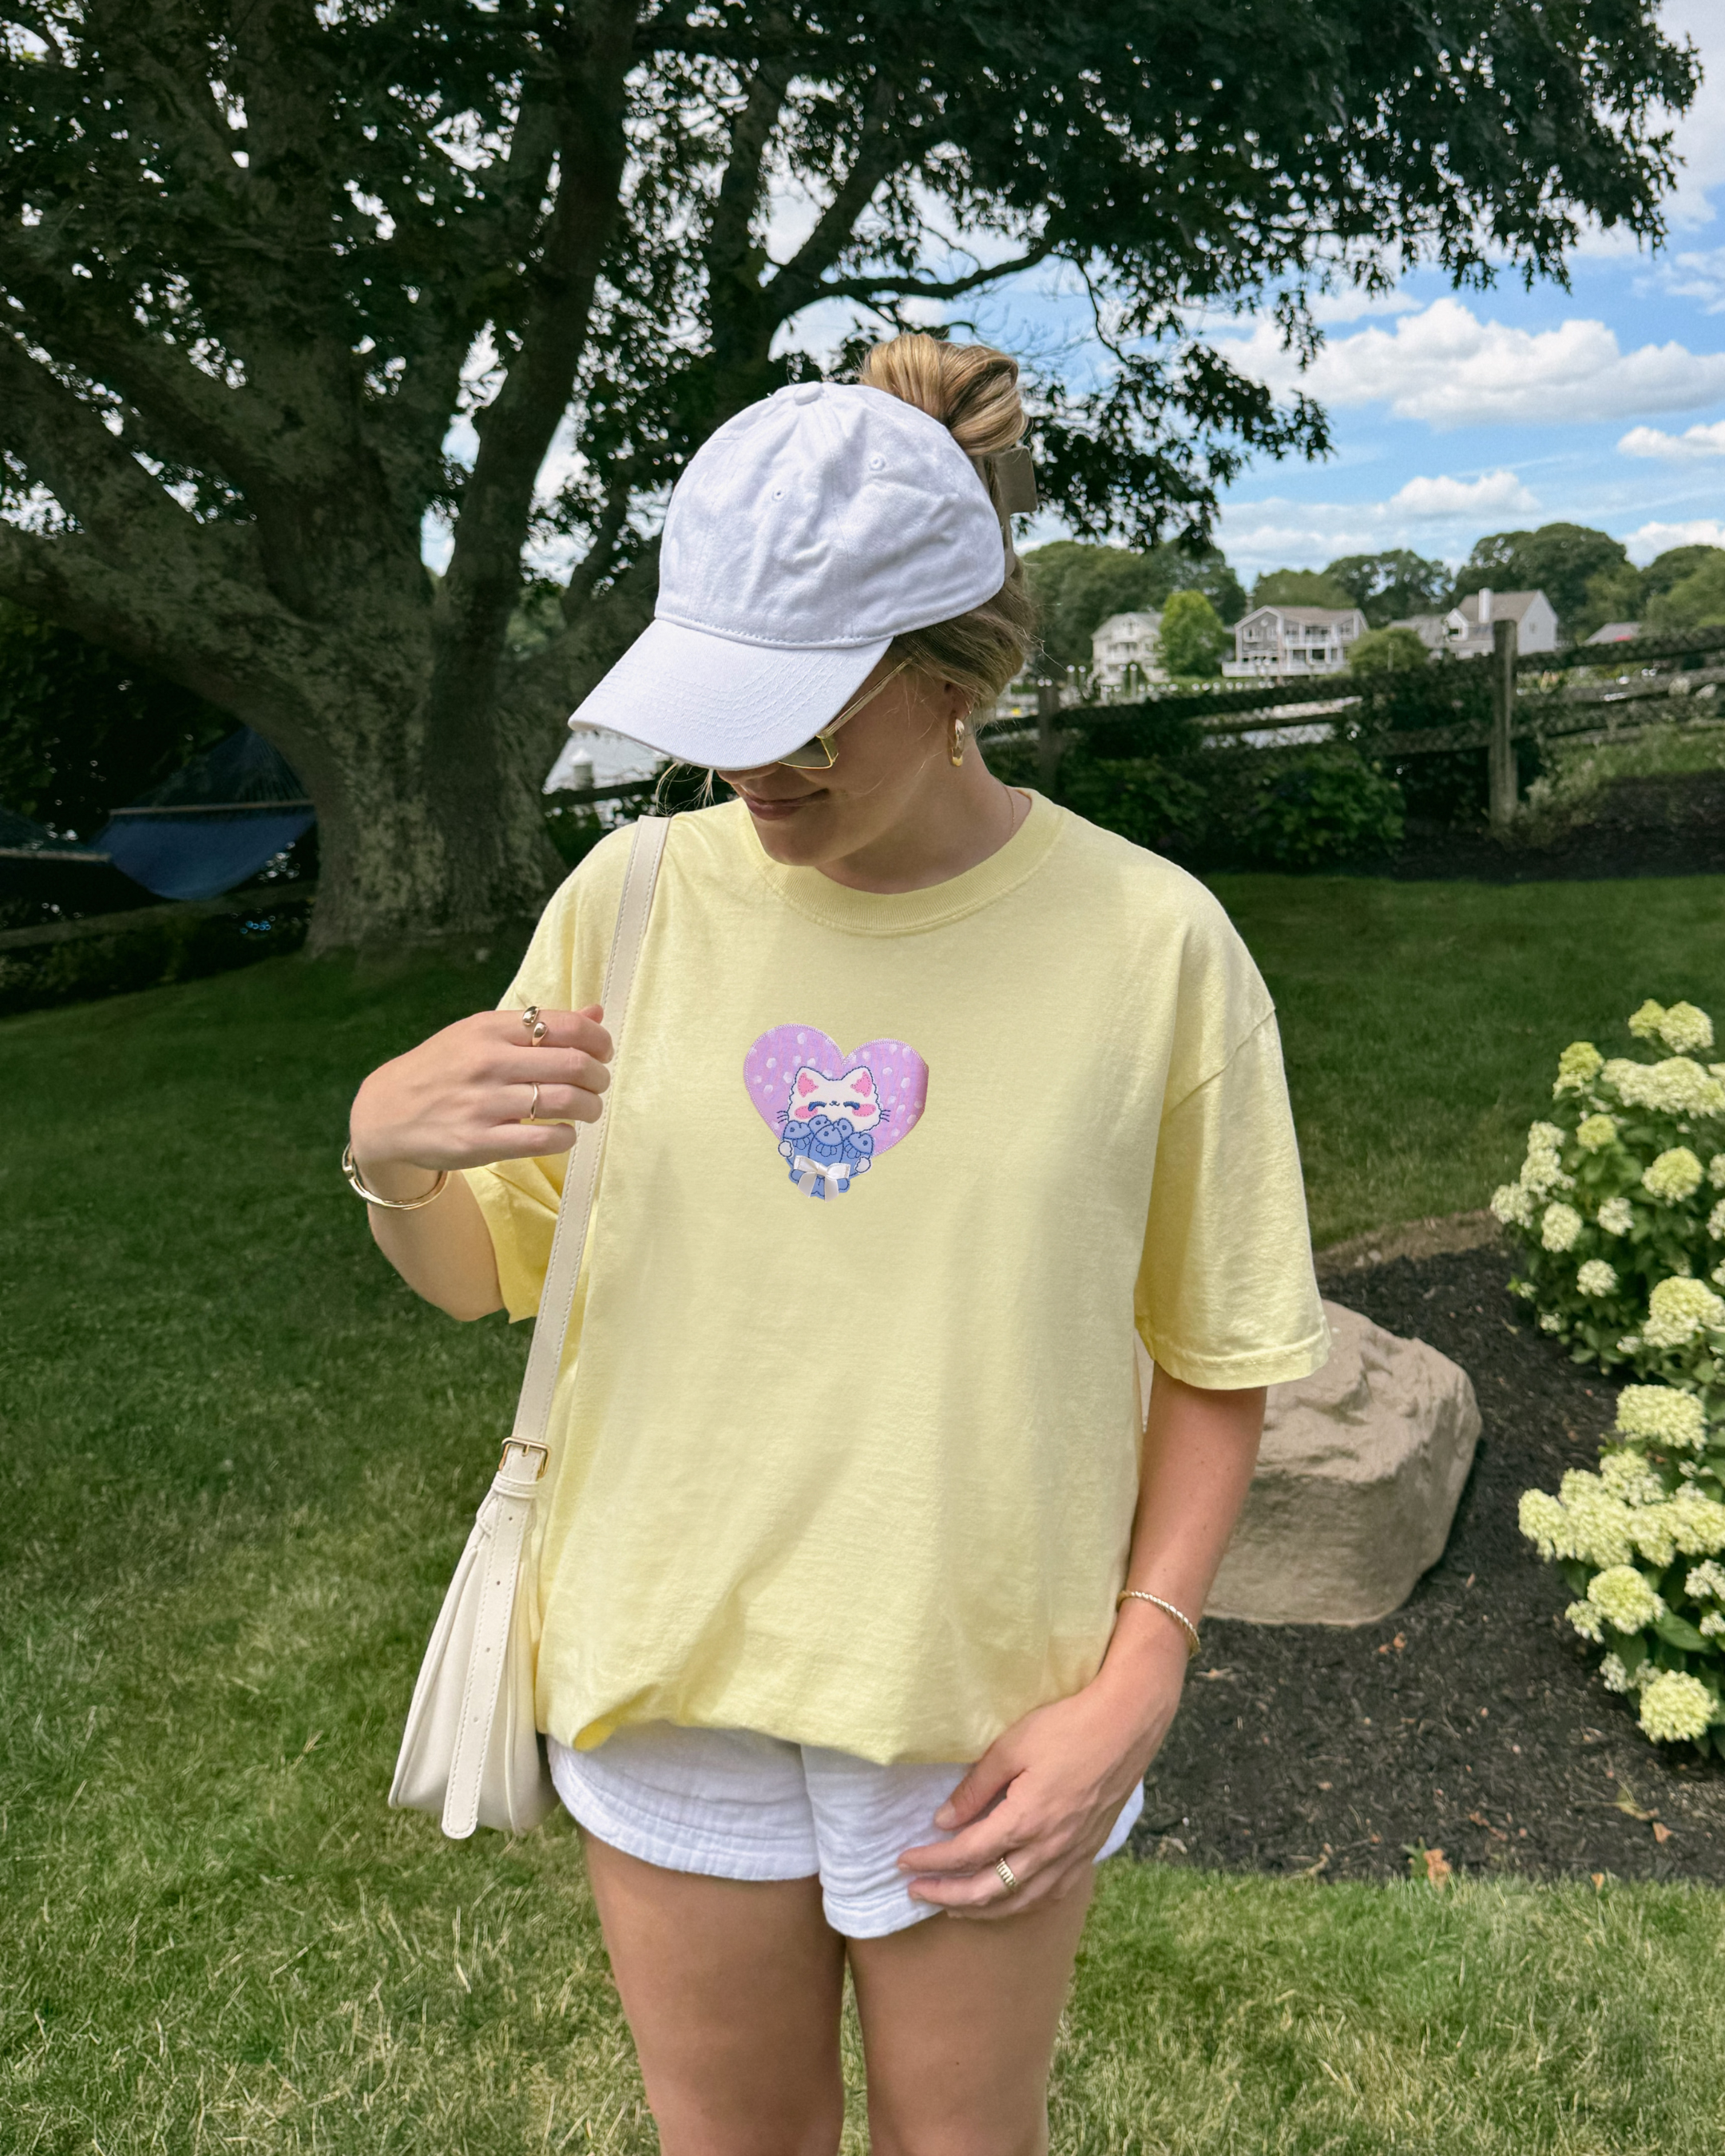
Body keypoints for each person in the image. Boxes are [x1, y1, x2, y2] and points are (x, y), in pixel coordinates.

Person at [348, 335, 1327, 2156]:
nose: (751, 768)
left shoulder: (1154, 947)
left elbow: (1221, 1350)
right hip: (664, 1669)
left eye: (805, 717)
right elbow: (493, 1272)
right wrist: (390, 1163)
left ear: (958, 671)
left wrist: (1145, 1667)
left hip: (983, 1698)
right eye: (718, 708)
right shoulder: (631, 900)